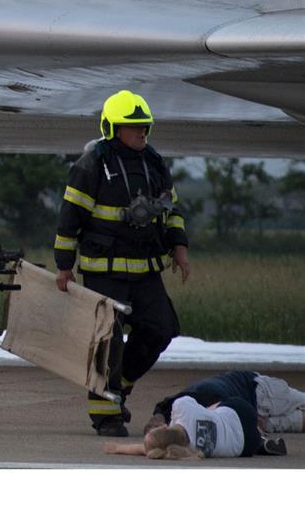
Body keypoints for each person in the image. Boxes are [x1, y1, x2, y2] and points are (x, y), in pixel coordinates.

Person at [54, 90, 190, 437]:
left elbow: (171, 210)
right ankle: (106, 416)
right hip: (104, 272)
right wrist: (64, 265)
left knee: (162, 328)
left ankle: (121, 386)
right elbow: (70, 218)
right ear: (113, 128)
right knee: (107, 342)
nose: (142, 133)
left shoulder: (155, 163)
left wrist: (179, 246)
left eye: (145, 127)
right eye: (133, 128)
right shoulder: (91, 164)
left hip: (145, 271)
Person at [103, 394, 286, 460]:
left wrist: (119, 449)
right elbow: (148, 447)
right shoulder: (181, 408)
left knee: (219, 427)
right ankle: (260, 430)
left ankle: (261, 441)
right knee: (212, 408)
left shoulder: (187, 451)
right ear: (165, 427)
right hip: (240, 414)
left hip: (246, 446)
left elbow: (148, 449)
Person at [145, 371, 305, 436]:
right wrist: (156, 422)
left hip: (260, 390)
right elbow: (162, 407)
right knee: (296, 423)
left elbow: (234, 405)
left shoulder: (201, 398)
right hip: (251, 410)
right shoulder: (175, 409)